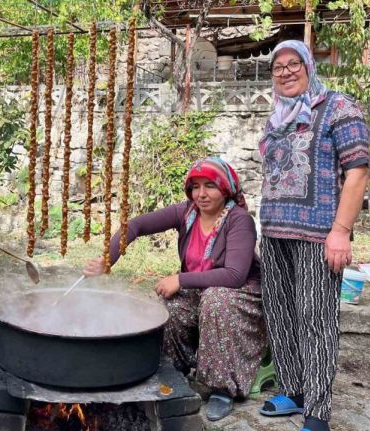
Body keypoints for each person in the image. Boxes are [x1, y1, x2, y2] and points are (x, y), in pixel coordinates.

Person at [84, 157, 266, 421]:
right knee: (165, 307)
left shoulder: (239, 221)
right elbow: (135, 226)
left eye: (210, 186)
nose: (201, 194)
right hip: (202, 289)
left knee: (216, 300)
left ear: (225, 188)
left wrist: (181, 280)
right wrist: (107, 260)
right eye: (195, 186)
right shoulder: (187, 212)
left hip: (239, 294)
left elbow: (235, 275)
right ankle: (176, 370)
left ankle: (221, 388)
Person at [257, 40, 370, 431]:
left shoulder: (339, 107)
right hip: (274, 233)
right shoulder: (278, 117)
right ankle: (294, 389)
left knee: (315, 319)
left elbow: (357, 171)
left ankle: (318, 409)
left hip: (318, 234)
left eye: (293, 64)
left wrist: (341, 231)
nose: (285, 72)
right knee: (281, 313)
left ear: (308, 66)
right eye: (278, 67)